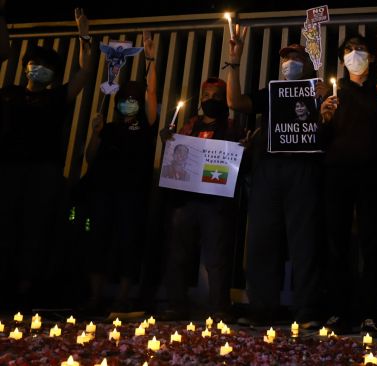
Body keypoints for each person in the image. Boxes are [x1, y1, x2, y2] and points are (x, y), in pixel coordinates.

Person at [227, 24, 326, 328]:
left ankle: (307, 311)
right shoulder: (271, 90)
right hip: (268, 170)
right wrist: (234, 60)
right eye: (286, 58)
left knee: (304, 240)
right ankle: (262, 308)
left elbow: (331, 124)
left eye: (295, 57)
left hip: (303, 169)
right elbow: (235, 102)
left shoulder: (318, 89)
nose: (290, 62)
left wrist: (325, 96)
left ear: (307, 63)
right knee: (261, 239)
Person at [0, 6, 92, 310]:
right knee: (6, 223)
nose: (37, 67)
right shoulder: (9, 94)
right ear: (25, 65)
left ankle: (27, 287)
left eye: (44, 65)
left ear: (52, 74)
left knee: (35, 226)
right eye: (33, 62)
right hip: (9, 167)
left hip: (44, 171)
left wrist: (83, 36)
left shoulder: (56, 98)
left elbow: (84, 73)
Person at [319, 34, 377, 336]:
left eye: (360, 49)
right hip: (337, 174)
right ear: (342, 61)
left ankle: (369, 315)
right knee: (337, 243)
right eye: (349, 51)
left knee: (372, 244)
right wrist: (324, 119)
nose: (355, 55)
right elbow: (322, 143)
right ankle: (338, 311)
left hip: (371, 176)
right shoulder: (334, 92)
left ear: (372, 57)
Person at [82, 31, 158, 314]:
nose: (128, 102)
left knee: (129, 241)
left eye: (133, 99)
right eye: (124, 99)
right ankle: (95, 296)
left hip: (132, 193)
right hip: (103, 192)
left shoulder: (146, 127)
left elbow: (152, 93)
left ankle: (124, 297)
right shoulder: (110, 128)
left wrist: (150, 59)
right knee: (98, 240)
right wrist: (95, 134)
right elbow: (90, 158)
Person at [159, 77, 243, 321]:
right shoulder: (189, 125)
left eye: (217, 96)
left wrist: (243, 149)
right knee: (178, 253)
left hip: (215, 203)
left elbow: (237, 162)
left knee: (216, 256)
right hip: (185, 200)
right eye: (206, 95)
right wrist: (169, 141)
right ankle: (176, 303)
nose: (210, 100)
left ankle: (219, 306)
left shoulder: (231, 127)